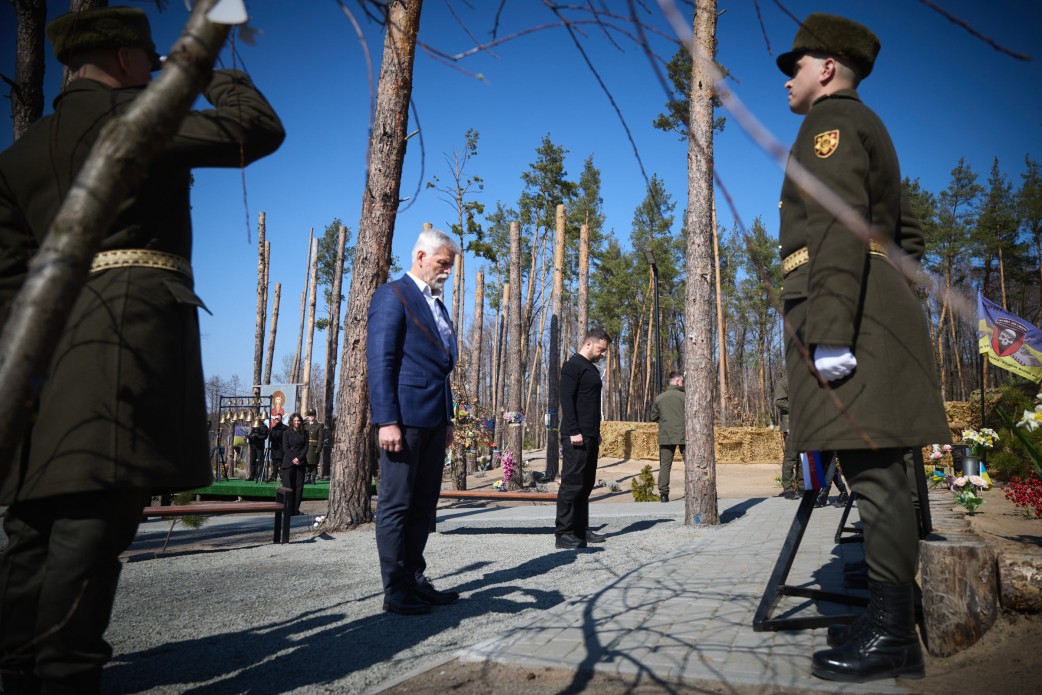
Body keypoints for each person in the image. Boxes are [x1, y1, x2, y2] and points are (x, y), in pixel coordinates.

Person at [0, 7, 284, 694]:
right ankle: (65, 676)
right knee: (89, 531)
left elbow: (7, 284)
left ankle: (15, 672)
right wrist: (209, 69)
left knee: (32, 529)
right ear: (129, 60)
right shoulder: (137, 121)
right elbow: (257, 128)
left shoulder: (20, 156)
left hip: (40, 364)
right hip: (125, 353)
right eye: (152, 58)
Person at [775, 13, 951, 683]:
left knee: (876, 478)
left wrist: (830, 328)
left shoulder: (830, 124)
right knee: (878, 473)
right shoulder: (867, 125)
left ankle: (891, 632)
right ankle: (886, 617)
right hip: (872, 314)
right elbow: (905, 233)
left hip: (849, 321)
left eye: (795, 66)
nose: (787, 80)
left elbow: (840, 224)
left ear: (826, 67)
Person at [367, 227, 461, 615]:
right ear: (421, 256)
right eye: (443, 264)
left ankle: (415, 577)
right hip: (403, 421)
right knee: (397, 503)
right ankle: (396, 589)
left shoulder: (437, 304)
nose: (447, 272)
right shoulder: (393, 295)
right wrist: (386, 420)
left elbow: (441, 368)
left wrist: (449, 418)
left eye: (451, 266)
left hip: (434, 418)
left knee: (425, 503)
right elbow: (381, 362)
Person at [555, 326, 612, 549]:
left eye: (605, 350)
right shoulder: (572, 366)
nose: (603, 354)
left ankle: (580, 529)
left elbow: (590, 405)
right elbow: (566, 400)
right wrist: (573, 431)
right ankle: (564, 533)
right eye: (601, 349)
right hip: (575, 435)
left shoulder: (591, 369)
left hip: (589, 435)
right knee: (571, 484)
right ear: (589, 344)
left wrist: (595, 434)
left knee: (586, 484)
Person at [650, 371, 685, 503]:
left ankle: (663, 494)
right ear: (676, 382)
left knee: (665, 466)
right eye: (681, 381)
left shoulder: (660, 398)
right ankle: (691, 490)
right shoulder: (684, 397)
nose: (682, 384)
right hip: (684, 435)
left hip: (666, 436)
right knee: (690, 464)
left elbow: (653, 417)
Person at [774, 373, 803, 499]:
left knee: (803, 458)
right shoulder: (784, 382)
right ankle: (788, 489)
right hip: (791, 425)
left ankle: (802, 487)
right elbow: (778, 401)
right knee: (791, 457)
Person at [281, 413, 308, 516]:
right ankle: (287, 510)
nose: (297, 422)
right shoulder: (286, 433)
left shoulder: (305, 433)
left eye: (299, 420)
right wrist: (293, 458)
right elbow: (285, 447)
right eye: (295, 420)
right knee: (288, 487)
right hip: (289, 462)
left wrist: (299, 458)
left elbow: (306, 446)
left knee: (299, 487)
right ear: (291, 421)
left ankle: (295, 510)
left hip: (300, 462)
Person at [303, 408, 324, 483]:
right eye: (309, 415)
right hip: (306, 446)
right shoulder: (305, 425)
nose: (311, 417)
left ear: (315, 416)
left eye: (312, 415)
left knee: (314, 463)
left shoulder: (319, 425)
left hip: (314, 447)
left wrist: (319, 448)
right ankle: (307, 478)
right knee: (306, 463)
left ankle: (313, 478)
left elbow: (321, 438)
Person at [267, 414, 287, 482]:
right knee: (274, 464)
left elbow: (283, 437)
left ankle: (283, 477)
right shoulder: (273, 428)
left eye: (278, 418)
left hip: (281, 449)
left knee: (281, 464)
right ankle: (273, 476)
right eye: (275, 419)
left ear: (281, 419)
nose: (277, 420)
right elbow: (271, 439)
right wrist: (269, 434)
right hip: (274, 448)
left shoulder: (285, 428)